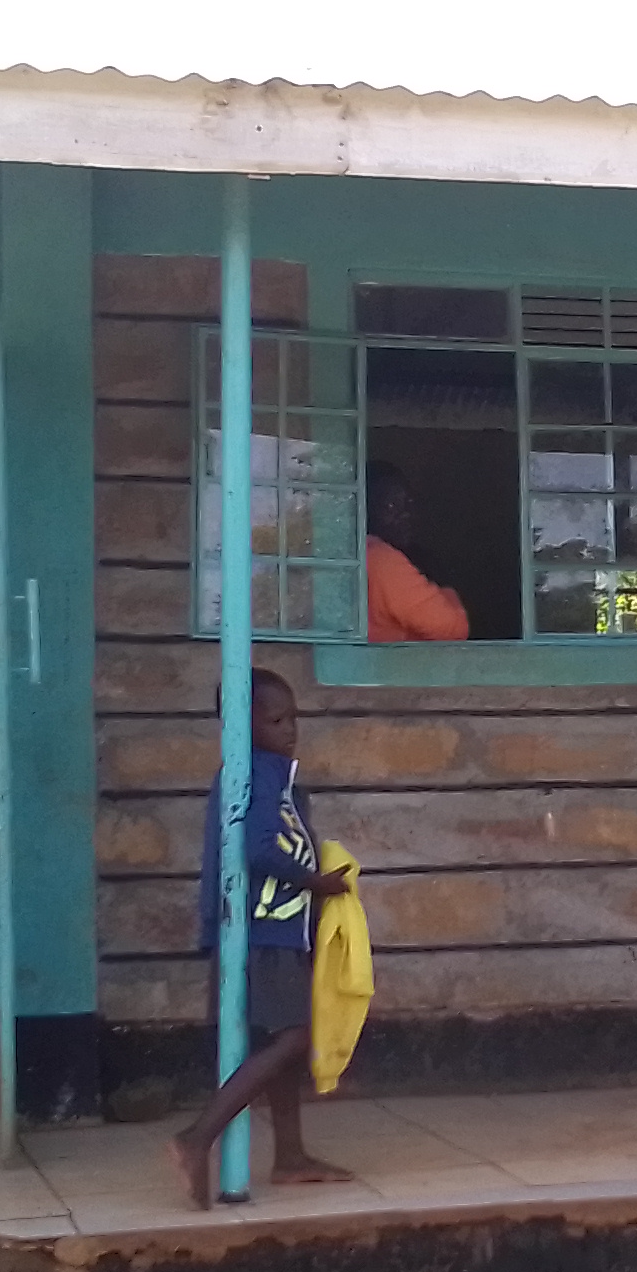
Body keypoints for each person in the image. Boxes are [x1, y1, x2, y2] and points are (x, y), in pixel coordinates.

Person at [174, 669, 356, 1207]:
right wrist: (315, 882)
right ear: (242, 726)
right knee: (293, 1038)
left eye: (293, 717)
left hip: (269, 925)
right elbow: (257, 848)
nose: (290, 729)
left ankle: (292, 1156)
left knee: (282, 1040)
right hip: (263, 927)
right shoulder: (257, 772)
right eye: (277, 720)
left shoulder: (267, 772)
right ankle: (197, 1137)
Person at [366, 463, 470, 643]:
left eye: (409, 503)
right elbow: (453, 629)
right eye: (391, 506)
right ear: (365, 509)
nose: (406, 513)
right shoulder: (382, 561)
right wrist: (445, 587)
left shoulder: (353, 554)